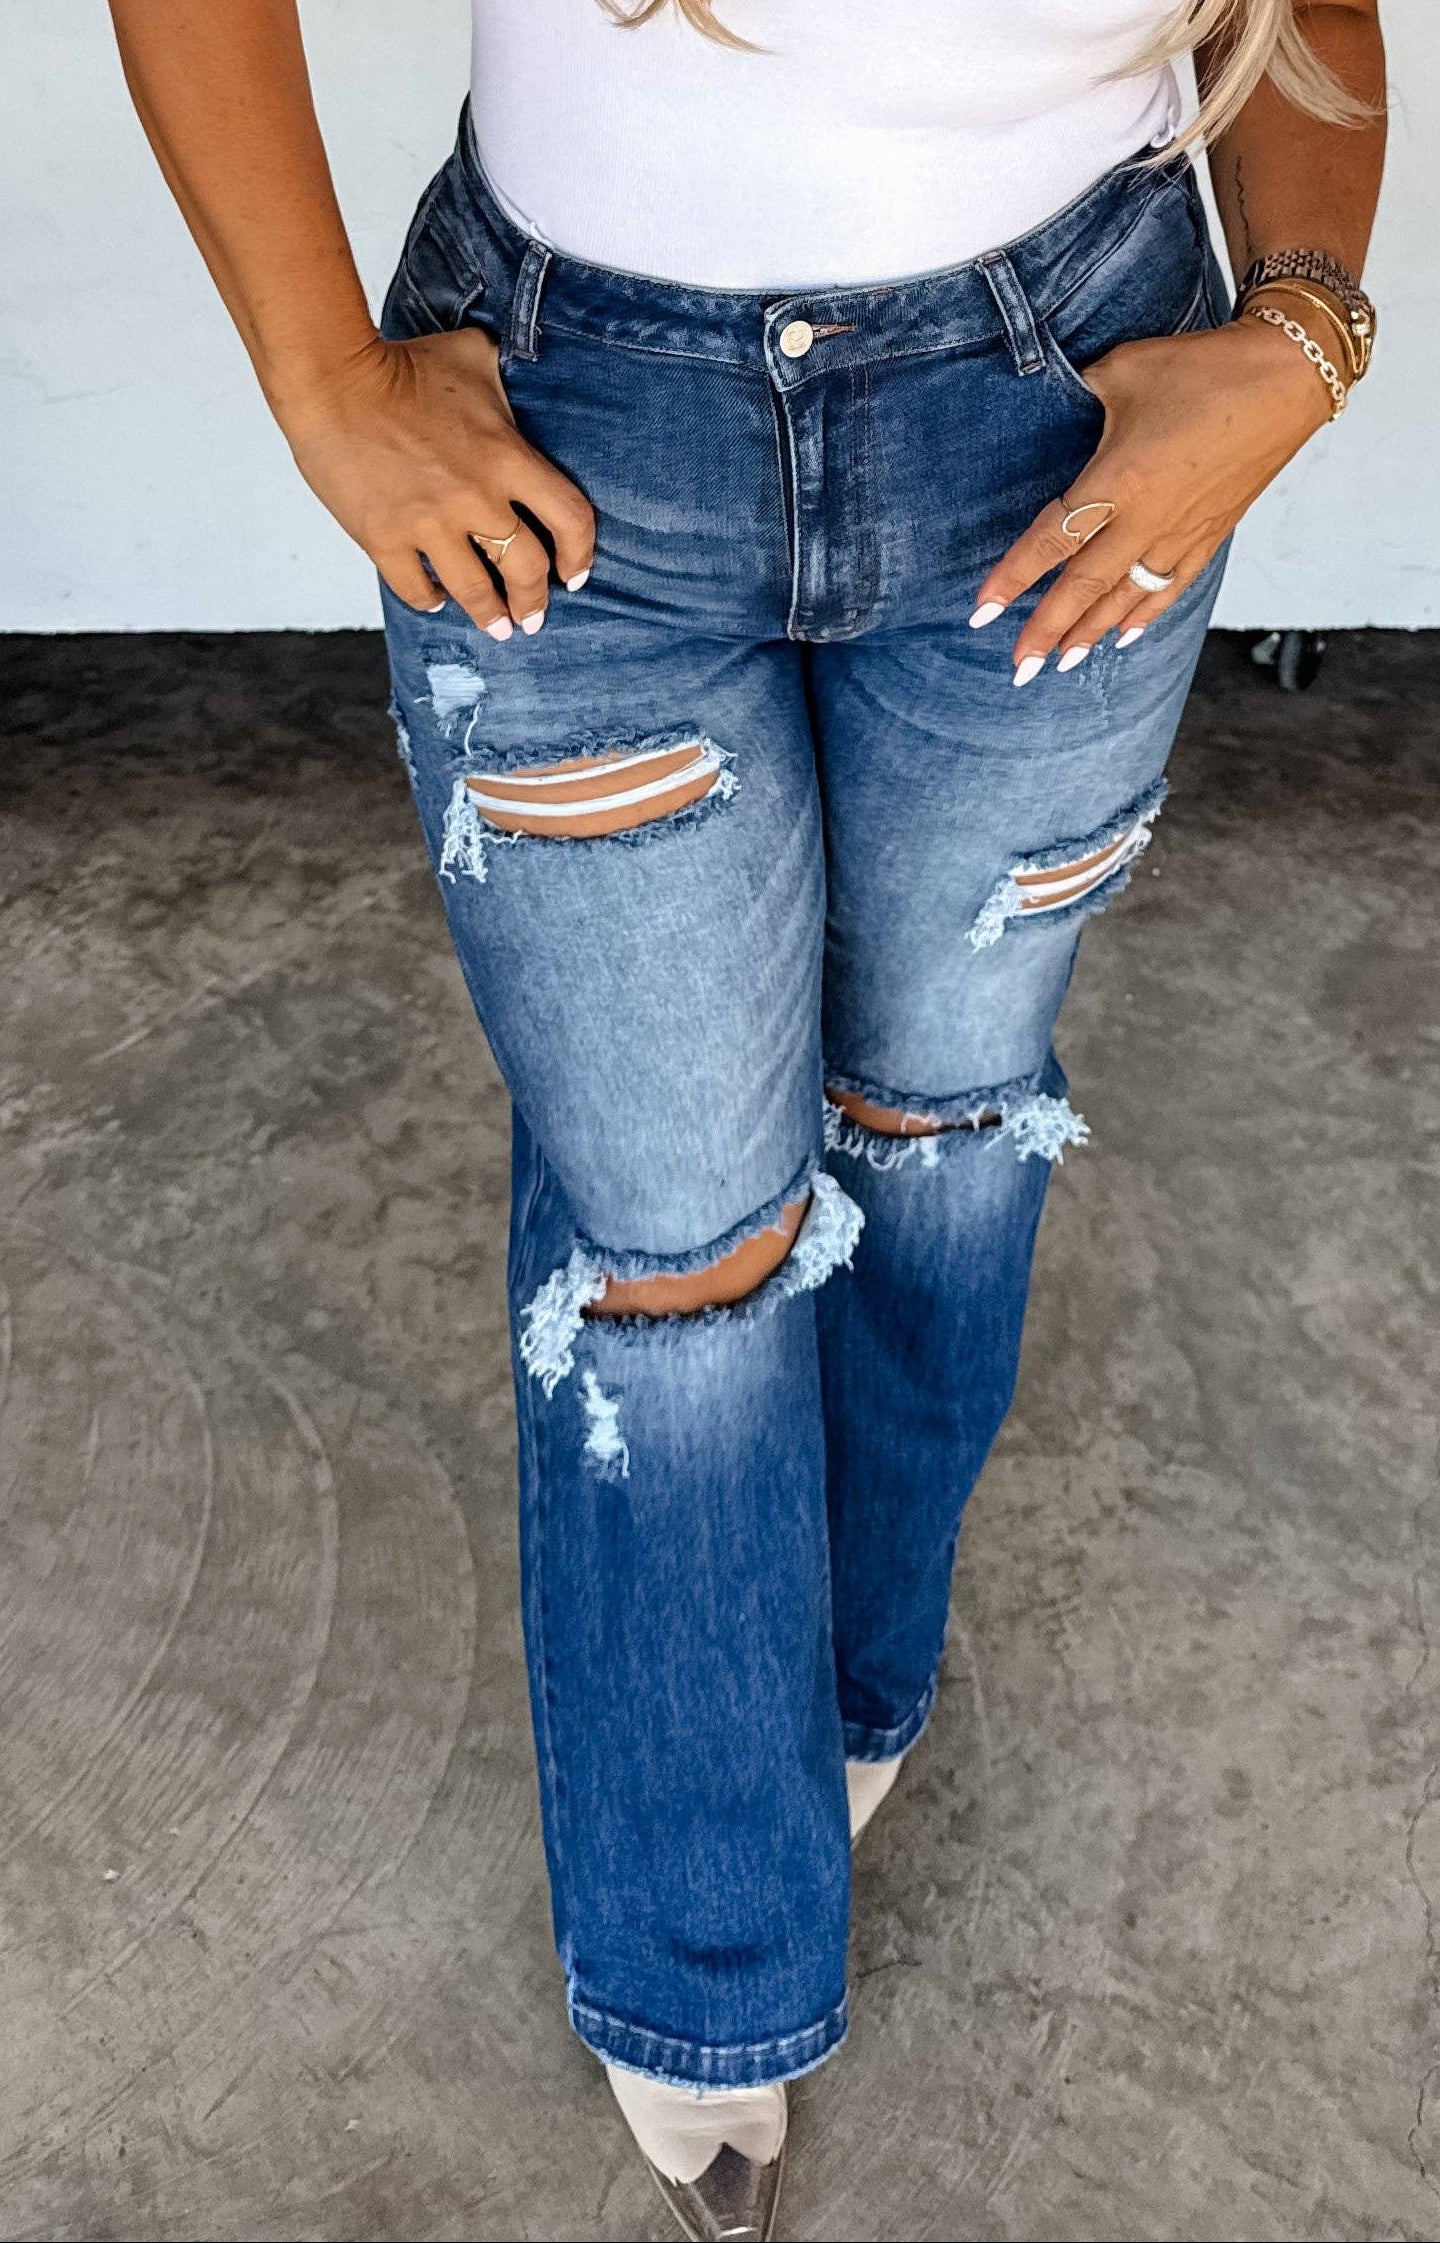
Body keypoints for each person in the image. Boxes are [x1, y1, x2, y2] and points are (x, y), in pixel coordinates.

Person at [107, 2, 1386, 2234]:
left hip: (1073, 405)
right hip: (584, 425)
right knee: (673, 1241)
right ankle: (707, 1938)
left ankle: (846, 1671)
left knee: (950, 1124)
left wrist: (1301, 334)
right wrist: (319, 378)